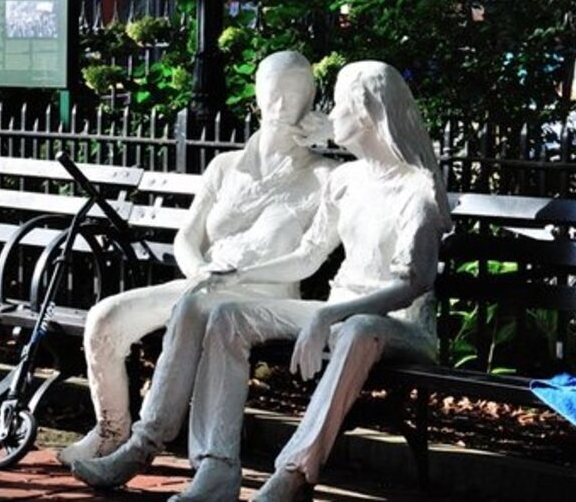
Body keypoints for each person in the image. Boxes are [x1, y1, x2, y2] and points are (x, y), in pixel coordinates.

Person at [72, 61, 451, 502]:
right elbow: (308, 255)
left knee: (361, 328)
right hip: (338, 314)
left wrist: (331, 313)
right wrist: (238, 274)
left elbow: (414, 285)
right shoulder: (347, 181)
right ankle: (215, 469)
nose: (326, 115)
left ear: (366, 113)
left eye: (338, 106)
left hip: (396, 324)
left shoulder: (418, 189)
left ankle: (292, 475)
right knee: (229, 316)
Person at [59, 51, 337, 466]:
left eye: (295, 94)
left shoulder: (325, 175)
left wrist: (339, 138)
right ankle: (111, 430)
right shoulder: (225, 167)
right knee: (106, 318)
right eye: (274, 92)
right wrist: (199, 269)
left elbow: (317, 247)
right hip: (203, 284)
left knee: (203, 311)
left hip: (264, 299)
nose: (282, 105)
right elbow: (187, 235)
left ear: (311, 100)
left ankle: (162, 449)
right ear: (258, 96)